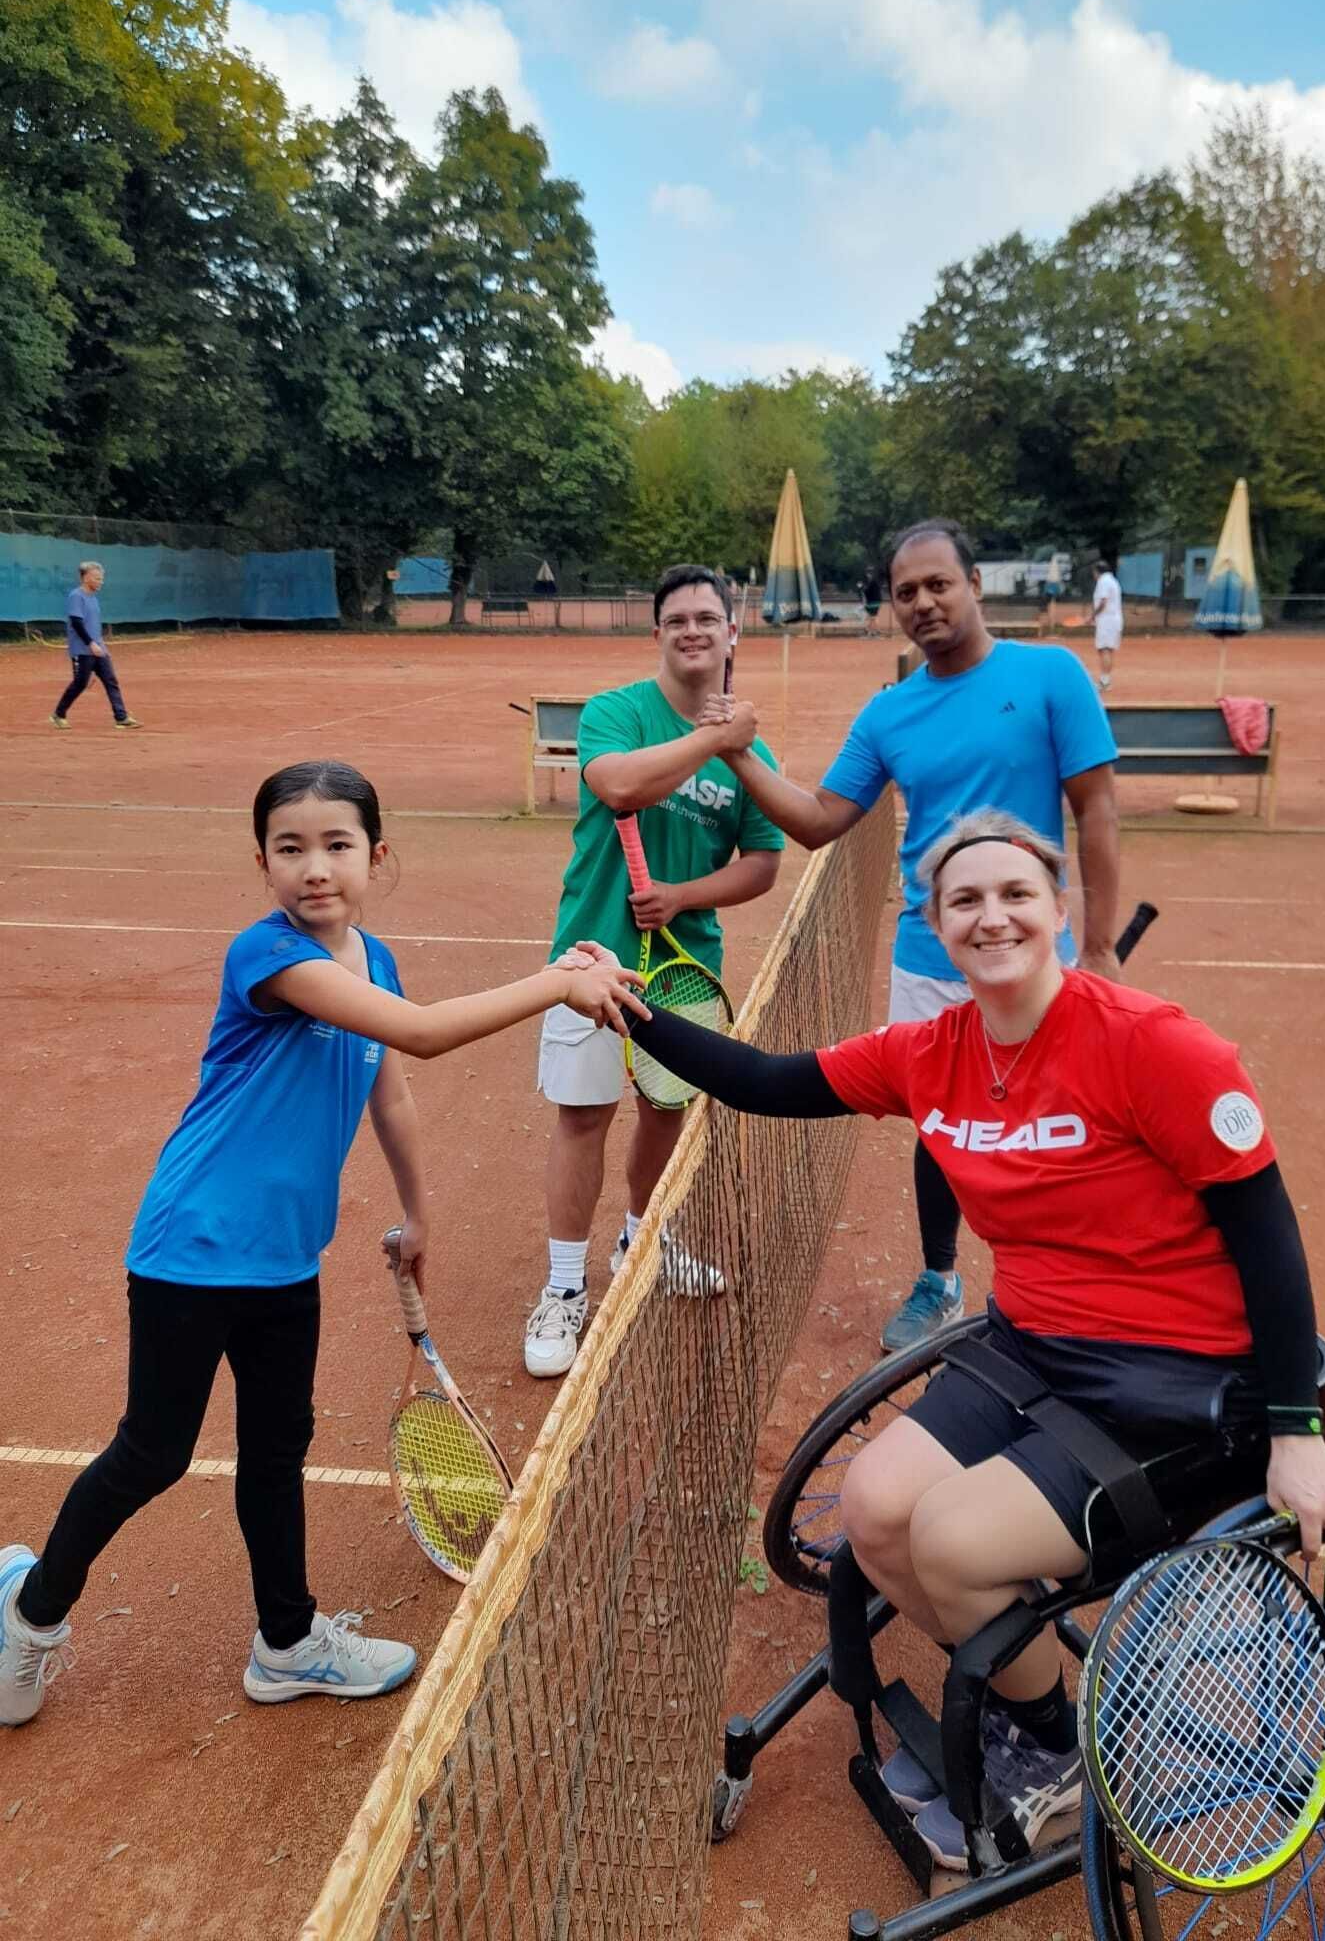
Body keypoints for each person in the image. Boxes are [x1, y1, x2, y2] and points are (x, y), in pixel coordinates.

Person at [585, 807, 1325, 1871]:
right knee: (869, 1508)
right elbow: (768, 1082)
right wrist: (628, 1010)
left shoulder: (1156, 1045)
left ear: (1055, 911)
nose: (991, 915)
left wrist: (1296, 1430)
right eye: (965, 900)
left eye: (1014, 894)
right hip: (1034, 1349)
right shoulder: (929, 1052)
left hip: (1179, 1383)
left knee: (948, 1539)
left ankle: (1052, 1753)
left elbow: (1266, 1230)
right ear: (934, 926)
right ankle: (1024, 1700)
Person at [0, 760, 643, 1729]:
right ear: (260, 860)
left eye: (337, 844)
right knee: (154, 1450)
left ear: (377, 856)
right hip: (192, 1248)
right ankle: (28, 1616)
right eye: (290, 847)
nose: (314, 867)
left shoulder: (373, 958)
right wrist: (562, 979)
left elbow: (390, 1081)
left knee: (276, 1449)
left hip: (286, 1259)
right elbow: (422, 1036)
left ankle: (288, 1642)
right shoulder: (268, 958)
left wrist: (421, 1212)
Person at [709, 518, 1120, 1354]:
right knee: (944, 1129)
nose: (924, 603)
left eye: (939, 584)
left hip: (1038, 954)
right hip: (931, 957)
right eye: (906, 593)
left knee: (1059, 1124)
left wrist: (1103, 949)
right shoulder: (889, 713)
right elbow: (822, 820)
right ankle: (939, 1277)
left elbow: (1097, 812)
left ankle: (1060, 1287)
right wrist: (740, 754)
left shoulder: (1051, 675)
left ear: (974, 583)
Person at [525, 565, 785, 1381]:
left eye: (709, 617)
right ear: (659, 634)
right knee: (583, 1115)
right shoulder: (618, 713)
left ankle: (645, 1240)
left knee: (665, 1111)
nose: (693, 629)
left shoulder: (754, 755)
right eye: (677, 619)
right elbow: (615, 783)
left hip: (682, 966)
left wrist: (681, 897)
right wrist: (719, 736)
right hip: (591, 957)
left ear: (731, 633)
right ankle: (565, 1289)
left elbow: (763, 862)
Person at [48, 562, 142, 732]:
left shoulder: (93, 598)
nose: (101, 582)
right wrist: (90, 643)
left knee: (110, 680)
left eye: (101, 578)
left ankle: (121, 717)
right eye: (97, 578)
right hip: (82, 650)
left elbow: (93, 625)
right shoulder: (76, 596)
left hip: (98, 649)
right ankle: (59, 714)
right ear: (86, 578)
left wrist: (101, 645)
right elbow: (77, 623)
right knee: (80, 684)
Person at [1091, 559, 1123, 690]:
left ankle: (1105, 682)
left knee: (1104, 649)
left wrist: (1093, 615)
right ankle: (1106, 679)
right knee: (1107, 650)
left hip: (1107, 620)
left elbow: (1103, 602)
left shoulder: (1103, 581)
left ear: (1097, 571)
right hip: (1113, 620)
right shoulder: (1112, 580)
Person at [861, 565, 883, 636]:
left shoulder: (872, 582)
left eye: (868, 573)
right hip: (876, 601)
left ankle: (873, 631)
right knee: (872, 616)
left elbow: (867, 591)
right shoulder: (874, 581)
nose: (867, 575)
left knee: (872, 617)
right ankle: (871, 630)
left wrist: (861, 588)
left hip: (873, 602)